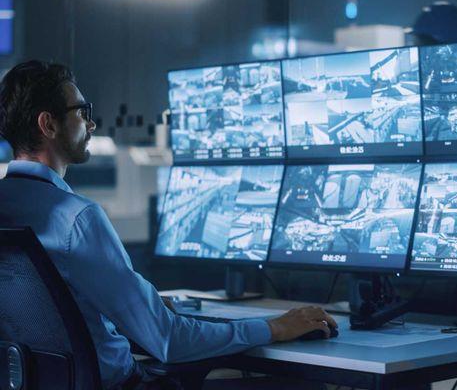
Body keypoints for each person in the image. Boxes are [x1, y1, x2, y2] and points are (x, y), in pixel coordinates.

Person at [0, 60, 337, 390]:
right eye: (82, 112)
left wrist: (142, 303)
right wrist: (275, 327)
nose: (92, 125)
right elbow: (168, 340)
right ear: (49, 125)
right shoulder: (77, 218)